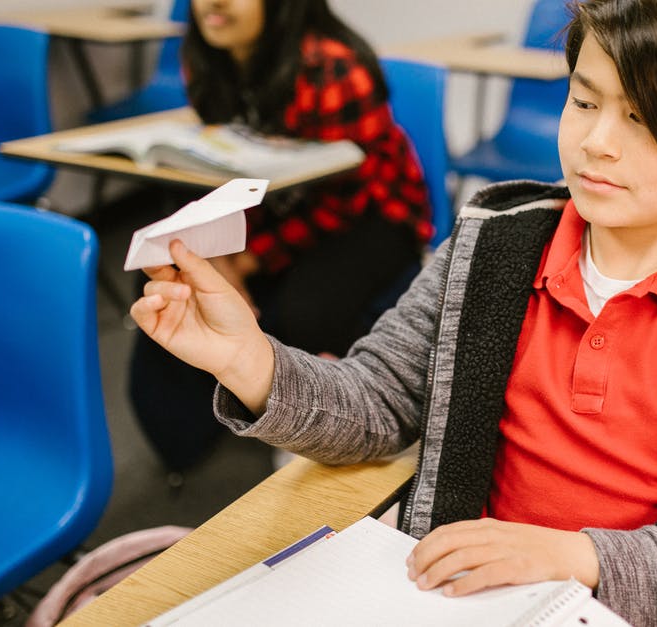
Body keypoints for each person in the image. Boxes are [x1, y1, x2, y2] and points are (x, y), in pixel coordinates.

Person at [131, 0, 657, 623]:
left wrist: (580, 557)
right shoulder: (493, 245)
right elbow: (378, 402)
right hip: (464, 599)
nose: (595, 143)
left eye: (641, 119)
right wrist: (248, 358)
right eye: (584, 101)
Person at [128, 0, 432, 473]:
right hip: (276, 209)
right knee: (166, 279)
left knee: (304, 309)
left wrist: (247, 261)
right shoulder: (207, 54)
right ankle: (189, 441)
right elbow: (233, 169)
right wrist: (221, 255)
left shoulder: (333, 68)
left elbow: (345, 200)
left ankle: (321, 426)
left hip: (370, 213)